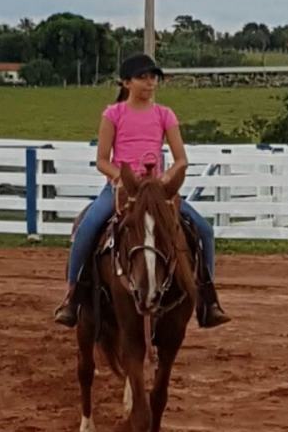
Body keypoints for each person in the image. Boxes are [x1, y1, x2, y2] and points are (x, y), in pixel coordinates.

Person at [53, 53, 230, 329]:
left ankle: (207, 300)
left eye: (153, 78)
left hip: (156, 191)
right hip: (121, 189)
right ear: (126, 82)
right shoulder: (113, 114)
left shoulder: (164, 115)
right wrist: (119, 178)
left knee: (204, 230)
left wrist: (166, 178)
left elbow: (181, 159)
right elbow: (102, 159)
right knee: (86, 230)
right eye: (143, 78)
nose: (150, 83)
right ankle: (73, 297)